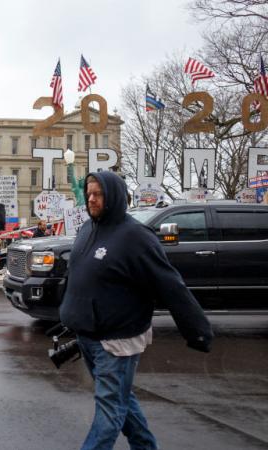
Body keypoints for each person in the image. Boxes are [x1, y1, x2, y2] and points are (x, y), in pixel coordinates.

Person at [59, 172, 213, 450]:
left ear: (114, 197)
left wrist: (197, 331)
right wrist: (69, 312)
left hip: (117, 340)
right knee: (121, 399)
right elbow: (80, 276)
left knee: (109, 410)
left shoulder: (136, 237)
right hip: (88, 335)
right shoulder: (87, 229)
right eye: (89, 194)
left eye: (98, 194)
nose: (91, 199)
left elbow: (170, 285)